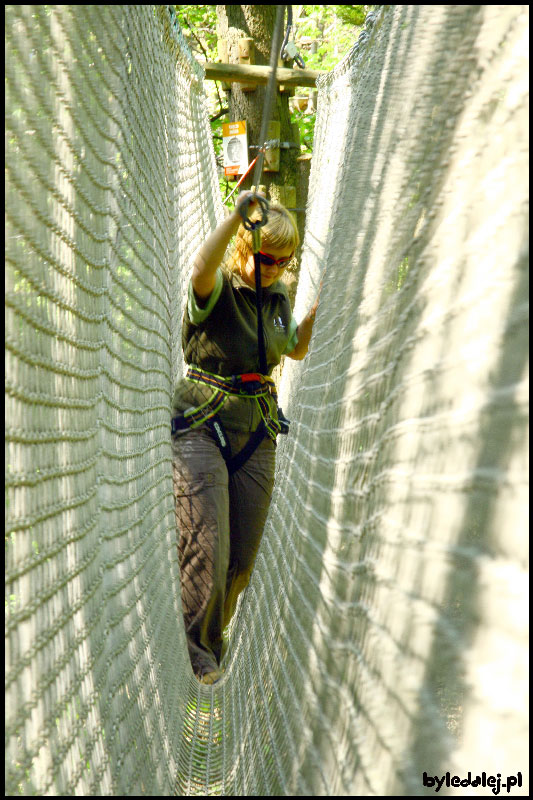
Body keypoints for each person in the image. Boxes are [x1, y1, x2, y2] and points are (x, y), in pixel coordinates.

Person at [171, 190, 320, 684]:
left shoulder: (278, 299)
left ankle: (212, 637)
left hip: (257, 429)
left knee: (240, 562)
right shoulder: (218, 288)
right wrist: (237, 213)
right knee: (206, 546)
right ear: (242, 248)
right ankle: (197, 656)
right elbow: (197, 271)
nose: (274, 267)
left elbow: (292, 348)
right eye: (265, 256)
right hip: (202, 423)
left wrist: (322, 306)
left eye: (284, 260)